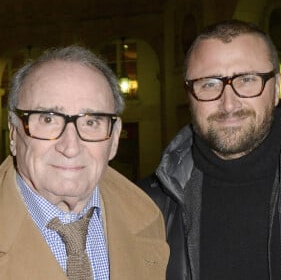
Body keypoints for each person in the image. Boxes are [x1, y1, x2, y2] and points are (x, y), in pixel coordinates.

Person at [138, 19, 281, 280]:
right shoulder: (148, 207)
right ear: (189, 94)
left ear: (277, 87)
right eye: (209, 83)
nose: (228, 103)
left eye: (247, 79)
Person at [0, 45, 169, 280]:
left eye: (92, 122)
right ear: (14, 133)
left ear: (114, 138)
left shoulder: (150, 218)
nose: (70, 147)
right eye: (48, 119)